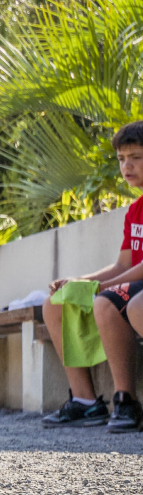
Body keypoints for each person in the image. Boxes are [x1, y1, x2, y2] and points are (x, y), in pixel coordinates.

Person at [43, 121, 143, 431]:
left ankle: (125, 400)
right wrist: (81, 281)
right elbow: (122, 264)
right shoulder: (135, 210)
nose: (126, 166)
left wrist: (103, 288)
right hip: (131, 283)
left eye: (136, 157)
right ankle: (85, 402)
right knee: (56, 302)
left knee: (103, 302)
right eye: (121, 158)